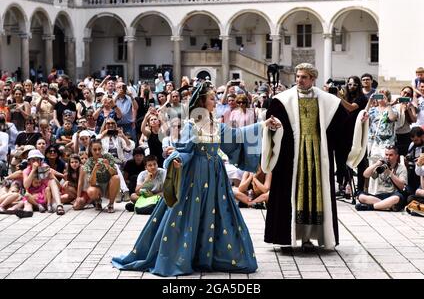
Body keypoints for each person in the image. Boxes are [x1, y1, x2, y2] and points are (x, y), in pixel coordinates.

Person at [112, 82, 279, 276]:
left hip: (216, 175)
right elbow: (184, 151)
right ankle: (184, 256)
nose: (215, 101)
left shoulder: (217, 124)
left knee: (219, 212)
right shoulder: (192, 125)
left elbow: (238, 135)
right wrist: (176, 161)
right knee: (189, 213)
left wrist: (264, 125)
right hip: (195, 177)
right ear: (201, 101)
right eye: (211, 98)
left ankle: (214, 255)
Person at [262, 63, 359, 253]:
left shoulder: (325, 99)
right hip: (291, 154)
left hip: (316, 154)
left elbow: (344, 124)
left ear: (313, 79)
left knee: (312, 196)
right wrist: (273, 127)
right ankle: (286, 237)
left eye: (304, 77)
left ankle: (307, 237)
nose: (299, 80)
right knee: (290, 193)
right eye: (297, 76)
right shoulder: (283, 99)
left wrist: (360, 121)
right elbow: (273, 121)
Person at [356, 146, 407, 212]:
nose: (388, 157)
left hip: (393, 194)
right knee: (361, 196)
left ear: (397, 156)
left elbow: (402, 186)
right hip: (379, 195)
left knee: (396, 198)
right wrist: (376, 164)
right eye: (386, 155)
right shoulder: (381, 166)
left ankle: (370, 207)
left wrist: (390, 173)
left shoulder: (401, 168)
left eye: (391, 155)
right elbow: (365, 175)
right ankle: (386, 206)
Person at [80, 139, 120, 213]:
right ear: (91, 150)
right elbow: (92, 183)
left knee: (116, 178)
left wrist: (108, 166)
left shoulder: (108, 156)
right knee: (91, 191)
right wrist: (95, 169)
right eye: (94, 150)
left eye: (99, 149)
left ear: (102, 148)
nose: (97, 152)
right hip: (97, 187)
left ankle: (111, 204)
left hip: (109, 186)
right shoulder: (88, 162)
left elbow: (115, 173)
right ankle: (98, 201)